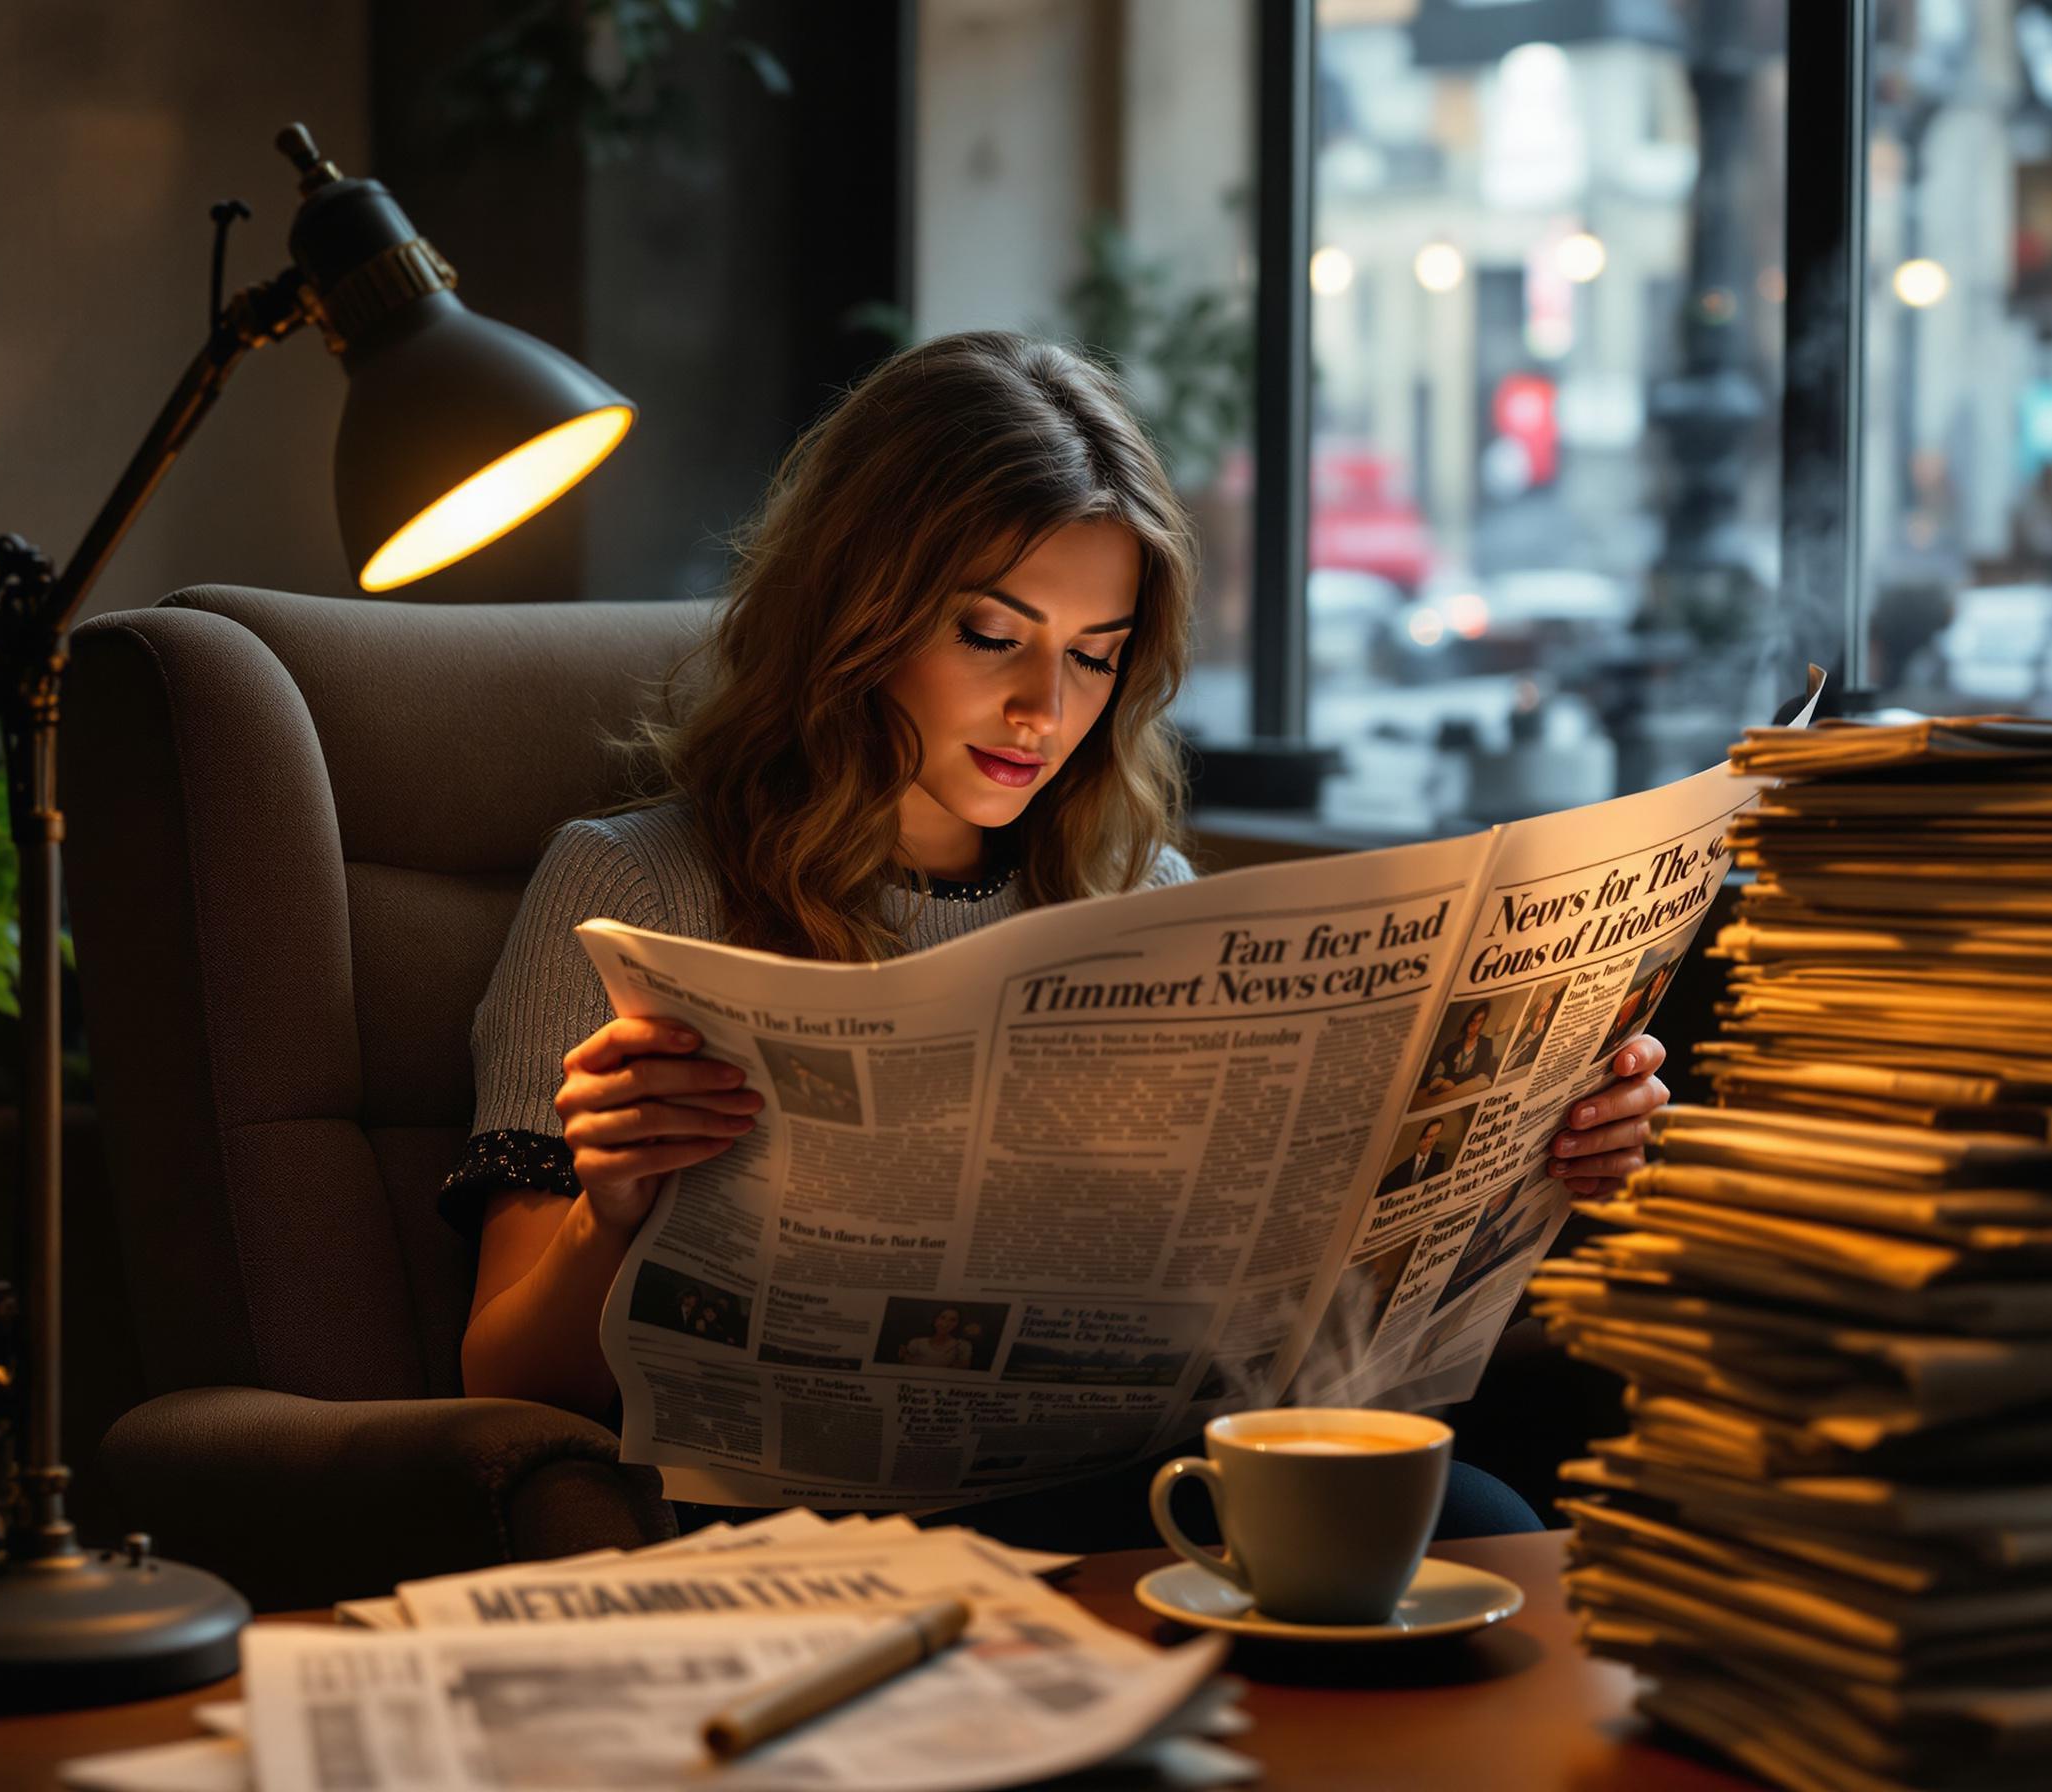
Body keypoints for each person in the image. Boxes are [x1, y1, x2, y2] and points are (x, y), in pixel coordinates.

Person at [439, 332, 1672, 1539]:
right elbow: (511, 1386)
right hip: (819, 1527)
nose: (1045, 709)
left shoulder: (1148, 897)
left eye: (1095, 656)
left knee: (1481, 1521)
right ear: (853, 611)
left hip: (1142, 1486)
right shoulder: (638, 885)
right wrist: (611, 1212)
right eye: (991, 636)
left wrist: (1543, 1162)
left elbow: (1312, 1338)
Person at [1419, 1003, 1500, 1099]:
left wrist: (1455, 1080)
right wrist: (1437, 1078)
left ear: (1484, 1023)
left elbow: (1483, 1072)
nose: (1473, 1026)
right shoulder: (1452, 1047)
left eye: (1479, 1021)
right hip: (1445, 1084)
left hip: (1462, 1085)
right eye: (1472, 1021)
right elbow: (1441, 1065)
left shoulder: (1486, 1044)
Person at [1375, 1116, 1451, 1197]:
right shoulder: (1400, 1168)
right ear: (1419, 1138)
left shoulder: (1441, 1160)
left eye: (1436, 1135)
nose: (1432, 1141)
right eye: (1428, 1137)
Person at [897, 1307, 974, 1371]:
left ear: (958, 1324)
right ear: (935, 1319)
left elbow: (960, 1371)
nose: (946, 1323)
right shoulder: (917, 1343)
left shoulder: (963, 1346)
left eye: (953, 1320)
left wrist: (912, 1360)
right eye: (942, 1317)